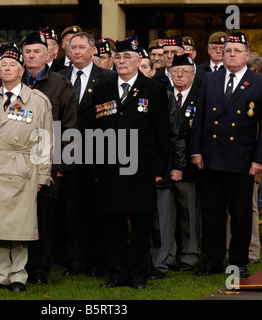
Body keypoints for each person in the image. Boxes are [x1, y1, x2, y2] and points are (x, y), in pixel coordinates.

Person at [0, 44, 53, 293]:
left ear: (21, 70)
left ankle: (18, 275)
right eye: (2, 65)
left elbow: (44, 140)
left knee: (18, 225)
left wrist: (42, 174)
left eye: (12, 65)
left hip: (21, 168)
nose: (6, 69)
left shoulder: (37, 101)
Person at [190, 32, 262, 279]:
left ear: (247, 55)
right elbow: (200, 118)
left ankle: (239, 261)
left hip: (242, 160)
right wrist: (196, 151)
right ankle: (213, 260)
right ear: (221, 54)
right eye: (228, 50)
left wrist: (260, 159)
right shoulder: (210, 79)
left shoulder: (260, 83)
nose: (232, 54)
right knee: (212, 213)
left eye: (237, 51)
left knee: (240, 215)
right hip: (212, 158)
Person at [92, 38, 171, 289]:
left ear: (138, 61)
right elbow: (95, 129)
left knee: (140, 222)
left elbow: (163, 133)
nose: (122, 62)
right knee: (112, 221)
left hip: (142, 167)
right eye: (118, 57)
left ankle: (138, 275)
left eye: (127, 57)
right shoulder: (103, 88)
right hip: (110, 167)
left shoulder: (154, 89)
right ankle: (116, 274)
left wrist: (160, 169)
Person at [20, 31, 77, 285]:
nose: (32, 56)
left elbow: (70, 129)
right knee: (17, 217)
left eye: (36, 52)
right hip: (16, 164)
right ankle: (17, 269)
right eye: (27, 52)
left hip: (47, 164)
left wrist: (61, 167)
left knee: (43, 220)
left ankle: (40, 271)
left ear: (48, 55)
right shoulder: (11, 81)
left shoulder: (60, 85)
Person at [59, 32, 116, 277]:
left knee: (97, 209)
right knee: (71, 210)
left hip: (97, 152)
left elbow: (111, 120)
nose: (77, 51)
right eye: (73, 47)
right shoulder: (58, 78)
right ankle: (75, 260)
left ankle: (97, 260)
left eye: (82, 47)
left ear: (93, 51)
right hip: (66, 152)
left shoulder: (108, 77)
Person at [148, 52, 187, 281]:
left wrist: (177, 165)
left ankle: (159, 264)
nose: (141, 70)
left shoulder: (165, 95)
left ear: (153, 71)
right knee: (140, 219)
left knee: (160, 220)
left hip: (160, 168)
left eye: (146, 66)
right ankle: (142, 261)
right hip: (132, 169)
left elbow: (176, 133)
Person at [166, 53, 202, 272]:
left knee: (190, 213)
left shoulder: (201, 95)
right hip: (166, 165)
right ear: (169, 73)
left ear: (193, 74)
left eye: (185, 71)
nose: (180, 75)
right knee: (166, 215)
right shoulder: (163, 94)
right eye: (176, 71)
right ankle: (168, 255)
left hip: (190, 166)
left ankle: (190, 256)